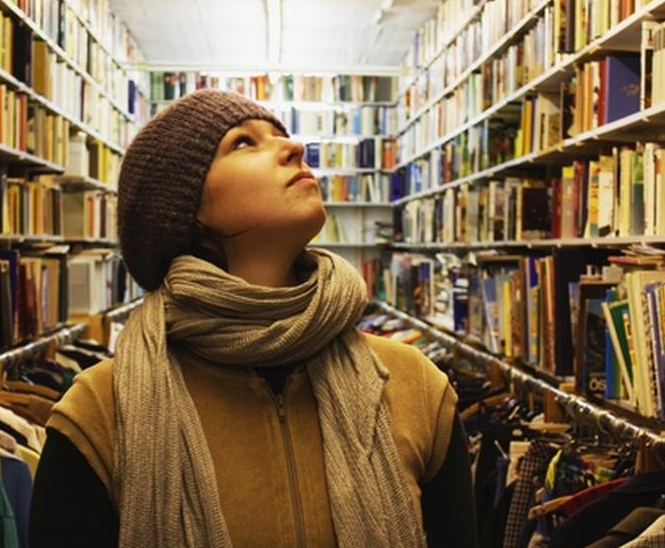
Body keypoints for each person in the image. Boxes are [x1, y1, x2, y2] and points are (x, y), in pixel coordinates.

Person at [30, 89, 477, 546]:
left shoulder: (415, 386)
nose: (295, 147)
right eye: (243, 142)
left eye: (282, 135)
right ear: (184, 210)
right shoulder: (102, 411)